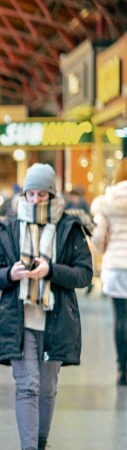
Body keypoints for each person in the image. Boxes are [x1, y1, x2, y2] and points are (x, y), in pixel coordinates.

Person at [0, 163, 92, 450]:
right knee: (27, 385)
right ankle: (29, 447)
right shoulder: (8, 228)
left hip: (56, 320)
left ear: (51, 195)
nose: (34, 200)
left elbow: (84, 274)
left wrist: (51, 270)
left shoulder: (70, 228)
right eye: (30, 194)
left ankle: (40, 441)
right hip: (18, 320)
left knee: (46, 389)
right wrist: (11, 274)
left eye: (41, 195)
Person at [91, 159, 127, 385]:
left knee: (121, 318)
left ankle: (122, 369)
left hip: (115, 266)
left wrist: (104, 251)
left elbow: (97, 236)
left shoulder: (106, 202)